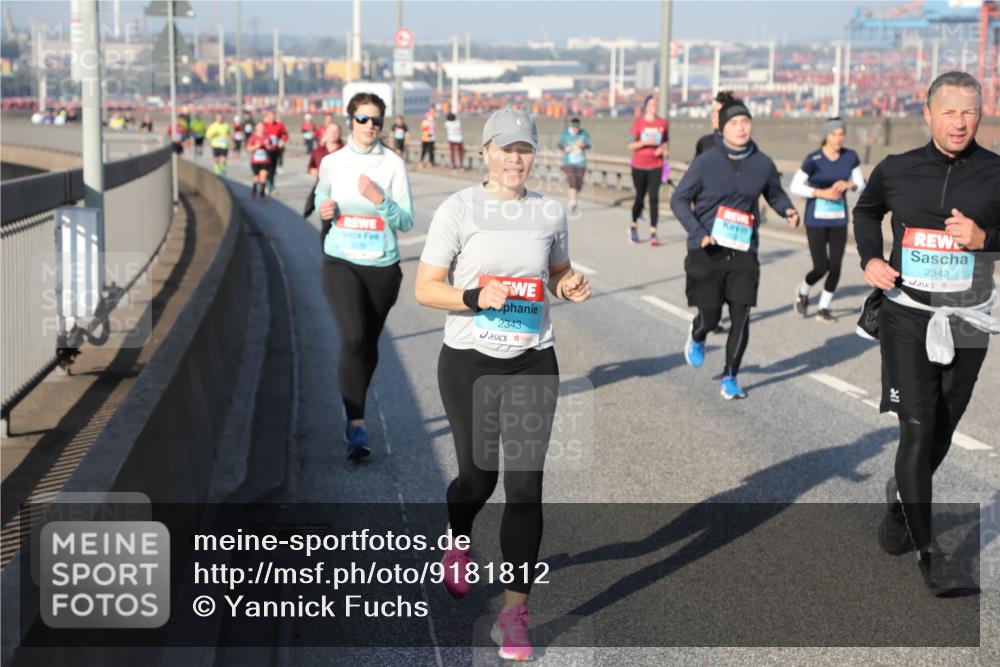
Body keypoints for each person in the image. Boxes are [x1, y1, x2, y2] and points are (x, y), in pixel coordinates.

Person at [415, 107, 592, 663]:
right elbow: (426, 288)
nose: (516, 158)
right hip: (469, 360)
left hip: (532, 359)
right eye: (506, 148)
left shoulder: (549, 210)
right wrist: (474, 298)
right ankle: (459, 535)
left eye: (525, 149)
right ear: (486, 152)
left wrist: (570, 285)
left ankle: (513, 614)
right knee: (477, 477)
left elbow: (557, 272)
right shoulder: (459, 209)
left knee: (525, 487)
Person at [854, 71, 1000, 595]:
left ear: (980, 115)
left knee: (942, 428)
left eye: (970, 111)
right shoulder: (895, 169)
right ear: (929, 113)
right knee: (916, 428)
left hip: (968, 317)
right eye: (950, 111)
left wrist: (987, 238)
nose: (959, 121)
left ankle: (900, 503)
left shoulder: (996, 173)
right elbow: (866, 212)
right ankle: (929, 553)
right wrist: (870, 257)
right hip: (908, 315)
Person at [671, 98, 799, 400]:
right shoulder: (706, 162)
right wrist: (699, 232)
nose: (741, 128)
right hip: (707, 249)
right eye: (734, 123)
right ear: (722, 128)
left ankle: (730, 376)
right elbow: (678, 200)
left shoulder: (763, 163)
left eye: (746, 121)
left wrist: (788, 210)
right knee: (712, 317)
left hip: (744, 249)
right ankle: (699, 333)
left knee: (741, 315)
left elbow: (774, 193)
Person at [315, 92, 413, 459]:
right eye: (362, 119)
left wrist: (379, 199)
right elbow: (323, 202)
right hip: (341, 260)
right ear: (349, 121)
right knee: (353, 337)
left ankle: (355, 404)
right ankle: (356, 423)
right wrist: (325, 210)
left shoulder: (392, 165)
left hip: (382, 266)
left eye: (376, 120)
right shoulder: (332, 162)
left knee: (368, 343)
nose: (369, 126)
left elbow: (405, 220)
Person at [790, 118, 866, 322]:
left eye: (842, 134)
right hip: (816, 220)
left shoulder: (850, 157)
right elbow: (795, 186)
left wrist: (849, 185)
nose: (838, 138)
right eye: (834, 134)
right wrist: (820, 193)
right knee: (820, 266)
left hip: (838, 219)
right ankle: (803, 291)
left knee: (836, 266)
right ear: (826, 135)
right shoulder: (813, 159)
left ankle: (823, 308)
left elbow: (861, 185)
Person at [627, 95, 669, 246]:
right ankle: (633, 225)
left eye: (655, 103)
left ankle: (653, 232)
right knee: (640, 197)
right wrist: (645, 142)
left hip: (656, 165)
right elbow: (630, 146)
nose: (653, 106)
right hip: (639, 165)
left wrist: (663, 150)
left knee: (653, 198)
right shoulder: (638, 123)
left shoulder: (663, 123)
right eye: (650, 103)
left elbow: (665, 143)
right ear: (645, 106)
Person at [558, 117, 592, 214]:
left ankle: (573, 198)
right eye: (574, 128)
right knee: (572, 181)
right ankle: (573, 202)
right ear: (571, 127)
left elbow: (589, 145)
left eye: (577, 128)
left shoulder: (583, 133)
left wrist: (583, 146)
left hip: (581, 162)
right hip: (569, 162)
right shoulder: (566, 134)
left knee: (579, 185)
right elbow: (560, 145)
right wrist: (565, 148)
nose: (576, 130)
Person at [694, 90, 736, 158]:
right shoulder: (704, 143)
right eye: (713, 111)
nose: (714, 115)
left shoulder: (741, 145)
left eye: (719, 112)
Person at [262, 110, 289, 196]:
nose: (272, 118)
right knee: (266, 169)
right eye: (270, 116)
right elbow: (258, 134)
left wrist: (282, 141)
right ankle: (268, 186)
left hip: (275, 150)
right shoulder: (263, 125)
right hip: (265, 151)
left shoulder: (279, 125)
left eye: (273, 116)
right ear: (267, 117)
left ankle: (271, 186)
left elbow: (285, 134)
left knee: (272, 170)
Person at [246, 122, 272, 200]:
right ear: (256, 127)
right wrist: (255, 147)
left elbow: (271, 147)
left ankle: (262, 193)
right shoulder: (253, 137)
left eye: (262, 126)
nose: (261, 128)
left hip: (265, 161)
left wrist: (268, 147)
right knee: (256, 177)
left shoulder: (267, 137)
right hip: (255, 161)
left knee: (263, 176)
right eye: (259, 126)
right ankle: (254, 189)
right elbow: (248, 148)